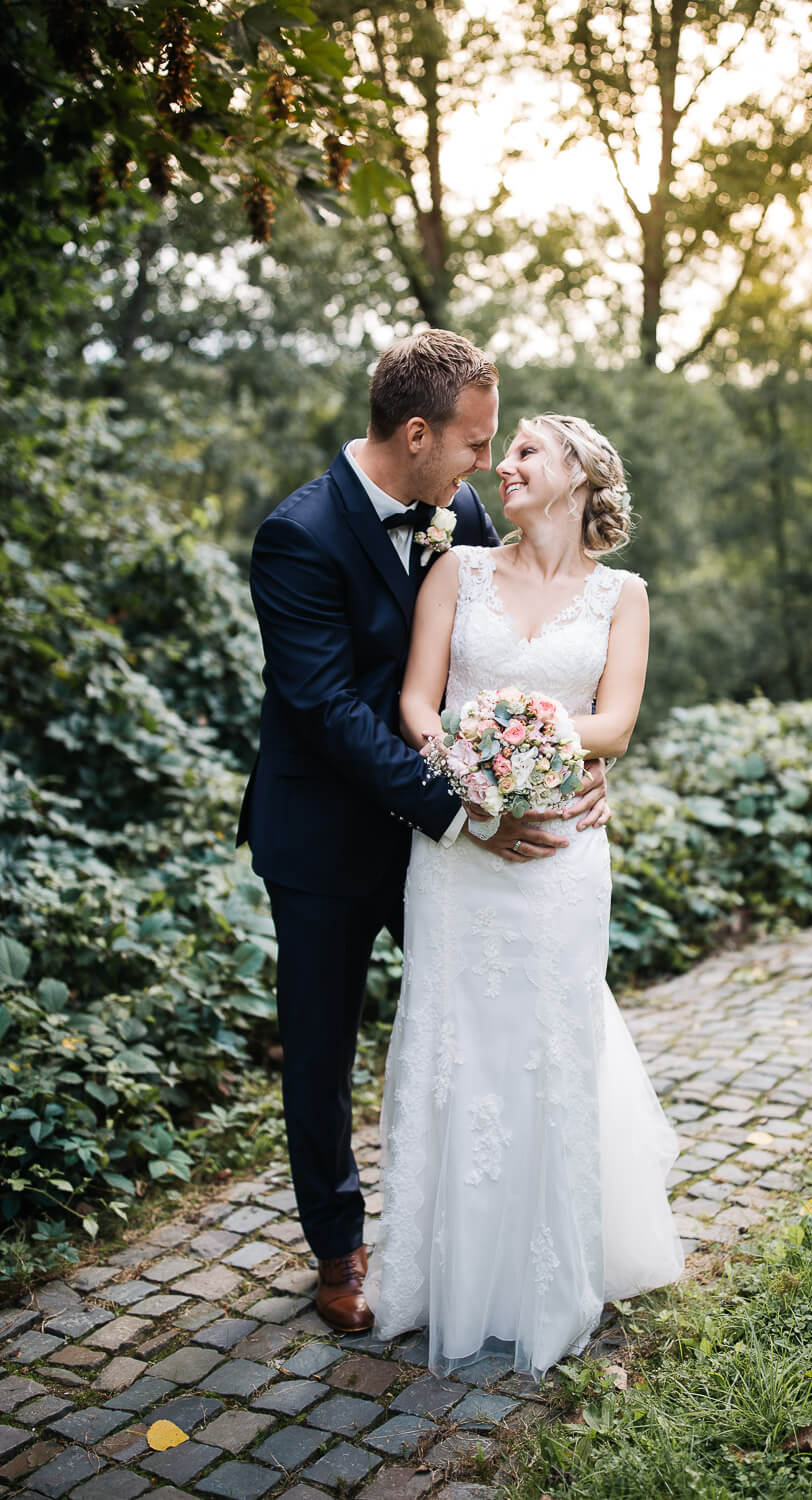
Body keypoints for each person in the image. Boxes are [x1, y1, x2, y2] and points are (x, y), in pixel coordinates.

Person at [237, 333, 609, 1335]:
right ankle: (340, 1247)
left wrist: (557, 755)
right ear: (415, 432)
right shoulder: (298, 536)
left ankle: (493, 1231)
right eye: (476, 441)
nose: (488, 463)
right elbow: (326, 710)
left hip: (445, 839)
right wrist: (456, 807)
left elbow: (497, 650)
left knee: (486, 1020)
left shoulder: (465, 512)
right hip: (324, 838)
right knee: (319, 1050)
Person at [365, 413, 684, 1379]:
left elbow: (616, 722)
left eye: (527, 451)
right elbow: (417, 703)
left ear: (581, 475)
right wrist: (469, 768)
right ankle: (438, 1274)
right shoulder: (454, 572)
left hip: (562, 854)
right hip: (460, 852)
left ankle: (545, 1276)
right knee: (457, 1039)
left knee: (550, 1044)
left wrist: (537, 744)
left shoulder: (623, 596)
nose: (501, 464)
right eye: (502, 451)